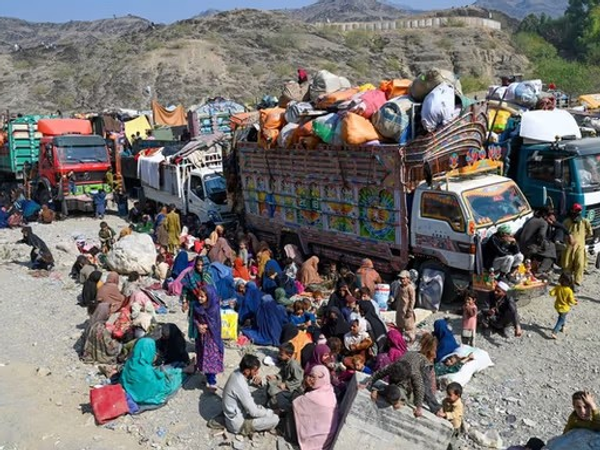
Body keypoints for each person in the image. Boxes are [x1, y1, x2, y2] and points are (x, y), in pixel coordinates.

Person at [121, 338, 193, 407]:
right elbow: (159, 386)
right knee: (173, 380)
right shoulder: (146, 371)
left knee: (167, 370)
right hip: (144, 395)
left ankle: (185, 369)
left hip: (130, 390)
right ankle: (187, 369)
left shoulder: (129, 362)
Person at [368, 351, 441, 416]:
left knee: (426, 388)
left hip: (423, 363)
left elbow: (420, 388)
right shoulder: (393, 366)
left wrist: (418, 407)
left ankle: (436, 409)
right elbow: (379, 373)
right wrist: (368, 383)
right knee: (395, 387)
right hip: (407, 358)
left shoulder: (414, 373)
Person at [222, 354, 280, 435]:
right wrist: (271, 412)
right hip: (238, 424)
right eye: (255, 371)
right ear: (247, 371)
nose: (257, 373)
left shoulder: (237, 372)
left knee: (260, 408)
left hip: (235, 412)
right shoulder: (240, 384)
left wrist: (255, 381)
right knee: (275, 419)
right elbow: (253, 412)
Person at [293, 365, 339, 450]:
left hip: (313, 440)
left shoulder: (313, 397)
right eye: (310, 376)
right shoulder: (329, 390)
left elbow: (294, 402)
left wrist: (304, 385)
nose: (310, 379)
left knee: (289, 409)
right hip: (323, 440)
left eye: (314, 377)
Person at [193, 285, 224, 392]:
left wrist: (205, 326)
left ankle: (212, 381)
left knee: (211, 358)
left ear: (209, 297)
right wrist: (198, 326)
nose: (199, 298)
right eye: (199, 296)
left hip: (212, 337)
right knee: (202, 356)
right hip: (201, 337)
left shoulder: (214, 308)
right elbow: (194, 318)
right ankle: (207, 376)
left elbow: (216, 323)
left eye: (202, 296)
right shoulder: (197, 306)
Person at [561, 203, 593, 288]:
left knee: (580, 263)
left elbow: (590, 233)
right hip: (569, 247)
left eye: (579, 211)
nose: (577, 213)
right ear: (572, 211)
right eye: (576, 210)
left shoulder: (585, 221)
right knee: (567, 264)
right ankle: (567, 281)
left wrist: (582, 239)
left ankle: (577, 282)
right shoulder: (566, 221)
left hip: (580, 247)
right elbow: (562, 232)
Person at [516, 208, 555, 276]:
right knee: (551, 247)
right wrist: (544, 244)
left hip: (520, 245)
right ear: (546, 216)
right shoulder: (543, 223)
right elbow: (541, 235)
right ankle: (541, 270)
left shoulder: (531, 219)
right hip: (529, 248)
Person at [266, 342, 304, 411]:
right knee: (270, 382)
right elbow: (282, 372)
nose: (279, 355)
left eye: (281, 354)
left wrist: (286, 384)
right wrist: (276, 376)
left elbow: (299, 380)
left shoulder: (293, 365)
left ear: (289, 355)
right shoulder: (285, 361)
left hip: (293, 388)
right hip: (285, 382)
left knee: (275, 391)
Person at [550, 273, 577, 339]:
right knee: (560, 320)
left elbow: (551, 293)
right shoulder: (569, 291)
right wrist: (575, 302)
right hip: (564, 308)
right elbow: (571, 300)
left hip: (557, 306)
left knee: (562, 317)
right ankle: (554, 332)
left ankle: (563, 327)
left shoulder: (558, 287)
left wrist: (554, 291)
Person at [394, 270, 416, 342]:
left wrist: (410, 310)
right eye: (401, 278)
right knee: (399, 325)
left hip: (406, 310)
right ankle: (400, 340)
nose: (402, 280)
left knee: (408, 326)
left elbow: (412, 300)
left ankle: (411, 341)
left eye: (403, 278)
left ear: (408, 279)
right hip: (400, 309)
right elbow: (397, 295)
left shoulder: (410, 288)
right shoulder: (400, 287)